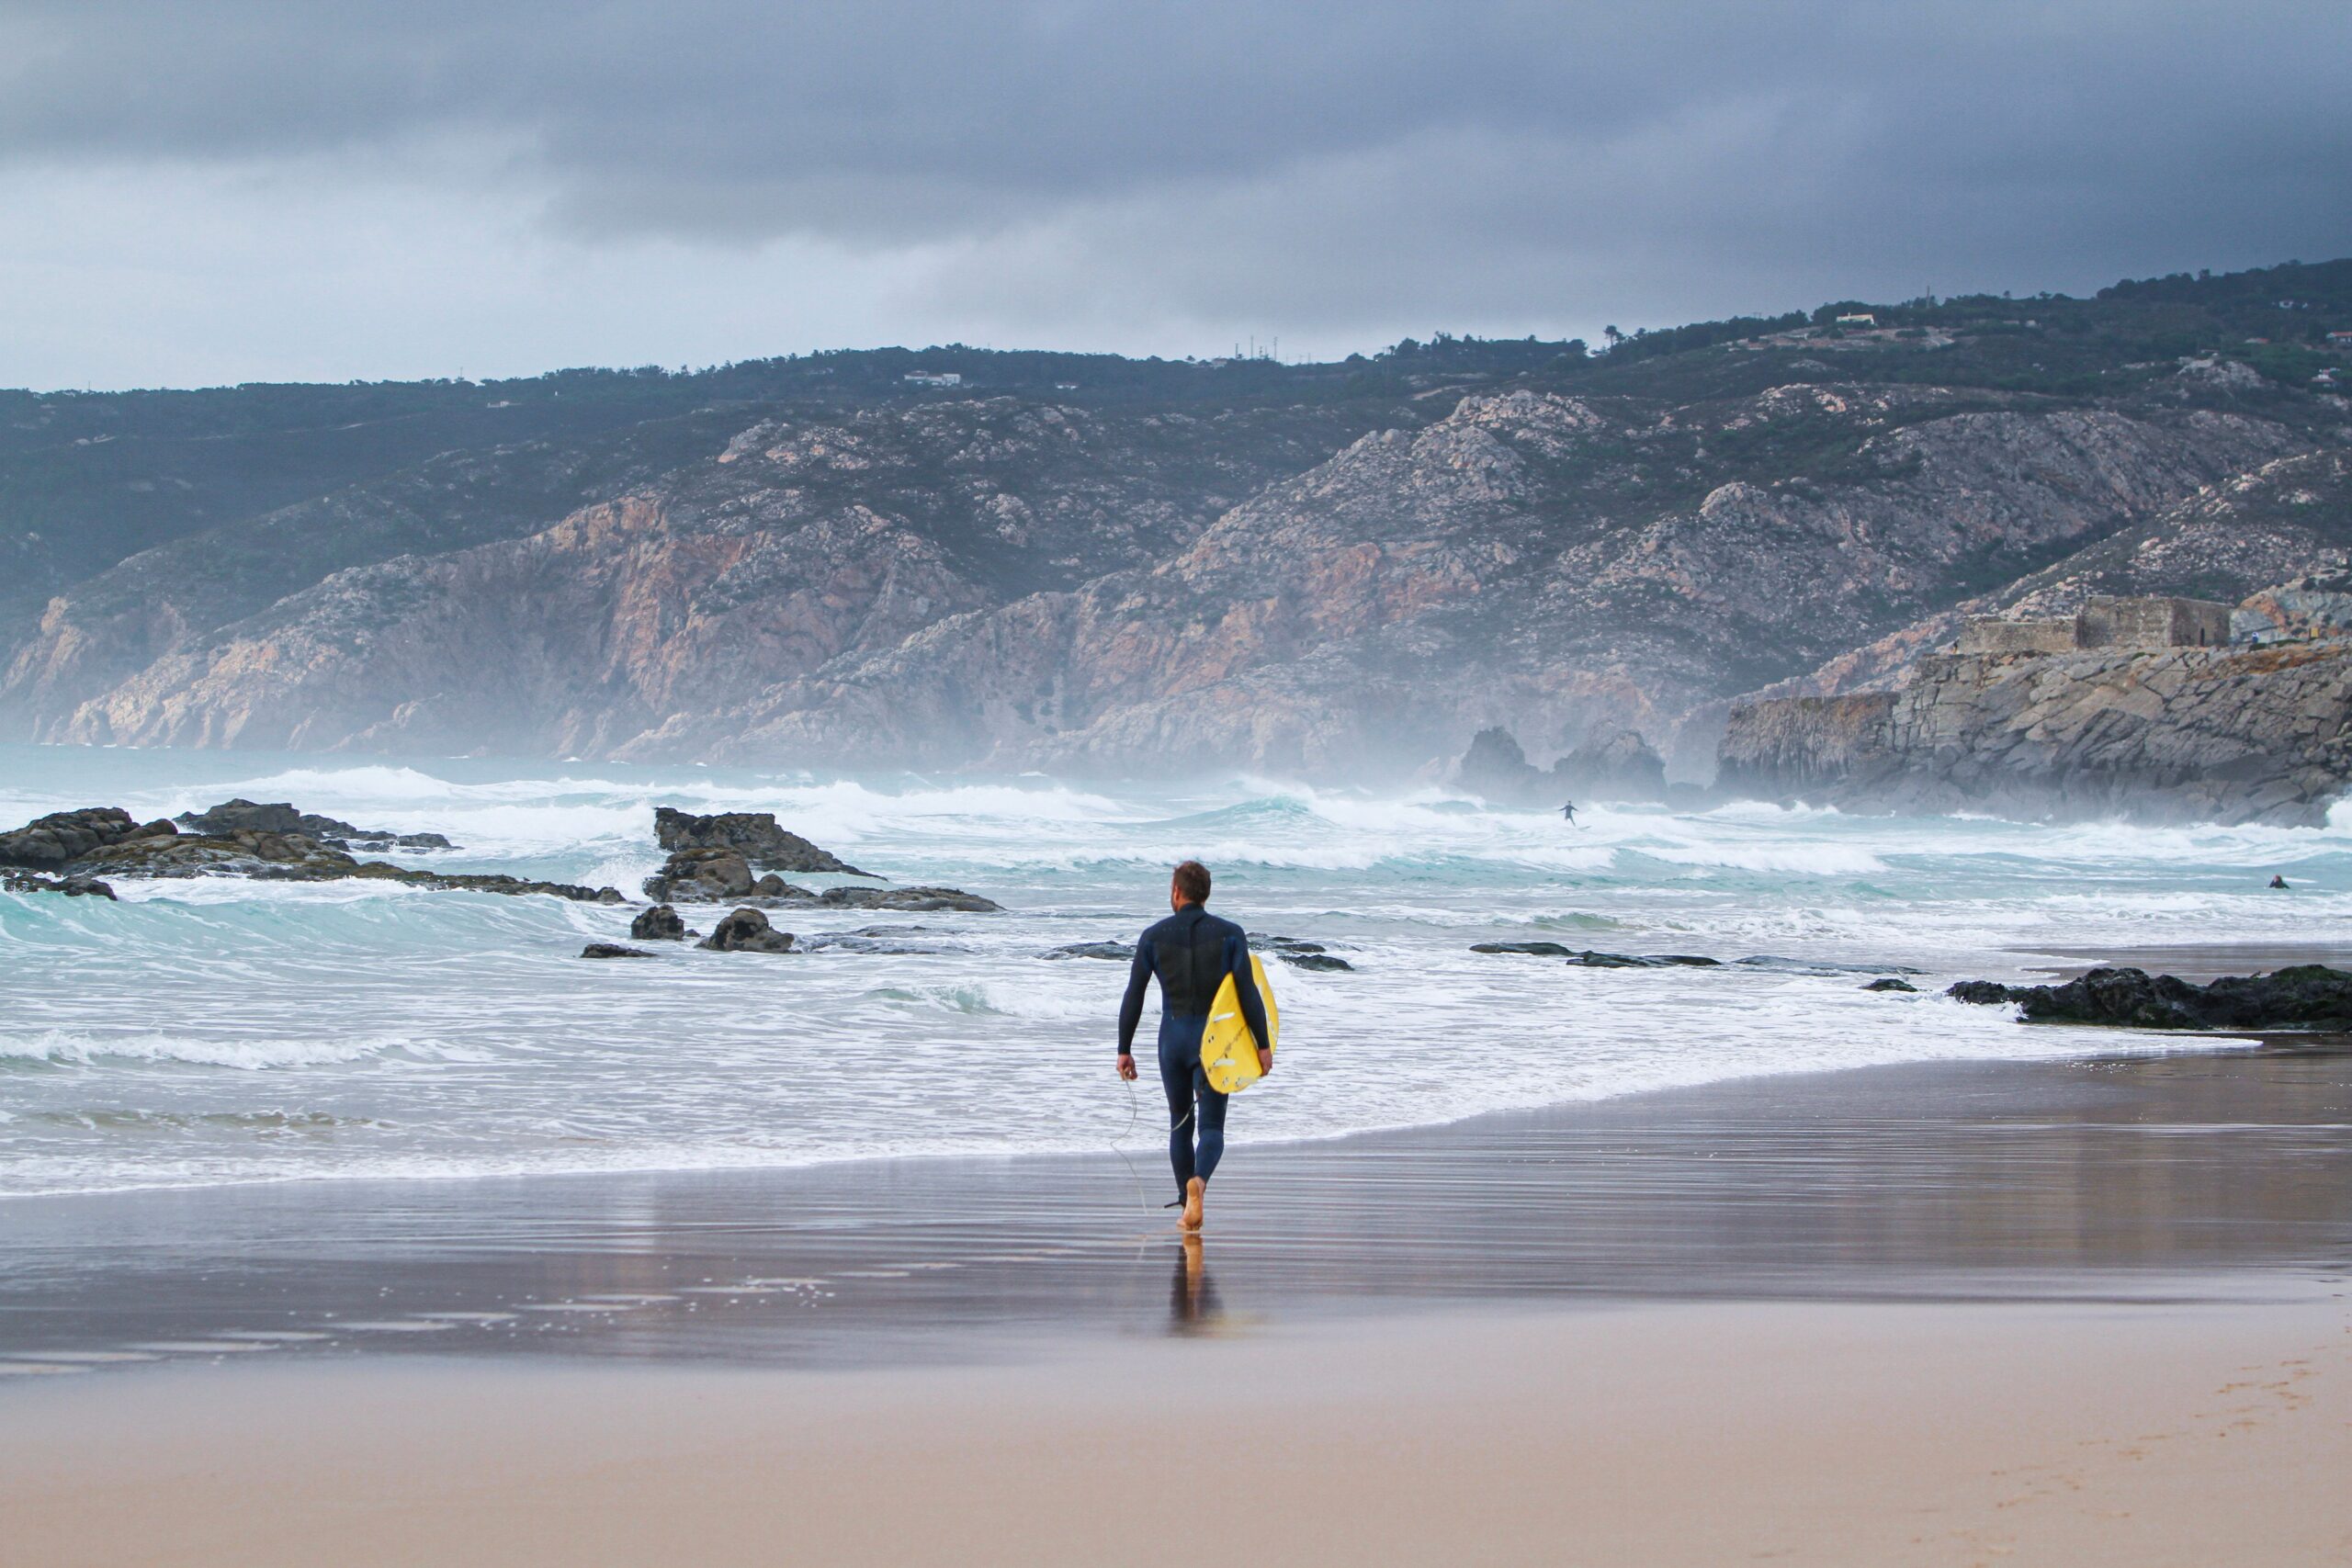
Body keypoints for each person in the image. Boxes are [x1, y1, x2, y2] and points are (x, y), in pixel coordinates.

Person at [1117, 860, 1272, 1232]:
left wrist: (1124, 1048)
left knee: (1179, 1125)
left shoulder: (1153, 936)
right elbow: (1248, 993)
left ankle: (1188, 1206)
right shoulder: (1231, 933)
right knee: (1213, 1127)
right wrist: (1262, 1044)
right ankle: (1198, 1183)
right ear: (1206, 893)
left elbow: (1134, 995)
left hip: (1172, 1040)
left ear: (1176, 892)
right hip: (1214, 1043)